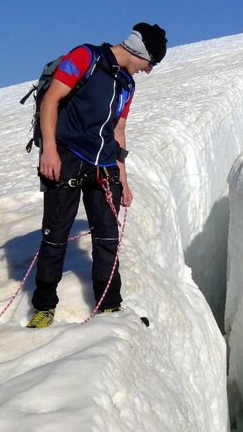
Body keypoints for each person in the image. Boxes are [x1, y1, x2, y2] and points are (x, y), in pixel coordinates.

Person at [26, 23, 167, 328]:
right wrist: (48, 149)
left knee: (107, 237)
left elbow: (118, 131)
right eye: (151, 63)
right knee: (55, 236)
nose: (149, 70)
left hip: (104, 164)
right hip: (66, 155)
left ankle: (109, 304)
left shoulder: (127, 85)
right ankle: (44, 307)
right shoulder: (84, 58)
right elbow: (51, 100)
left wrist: (124, 179)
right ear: (140, 51)